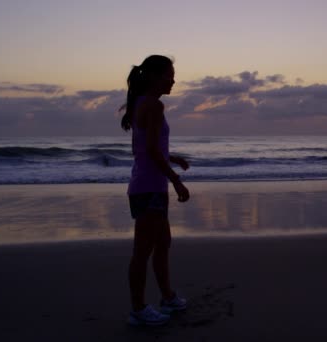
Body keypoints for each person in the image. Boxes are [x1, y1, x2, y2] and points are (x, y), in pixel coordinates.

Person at [120, 55, 190, 326]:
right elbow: (149, 150)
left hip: (147, 185)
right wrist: (176, 179)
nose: (173, 80)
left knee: (162, 244)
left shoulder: (141, 103)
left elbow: (144, 148)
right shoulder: (153, 105)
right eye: (169, 74)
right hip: (149, 187)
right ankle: (138, 310)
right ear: (153, 76)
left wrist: (174, 159)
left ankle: (168, 297)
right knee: (143, 251)